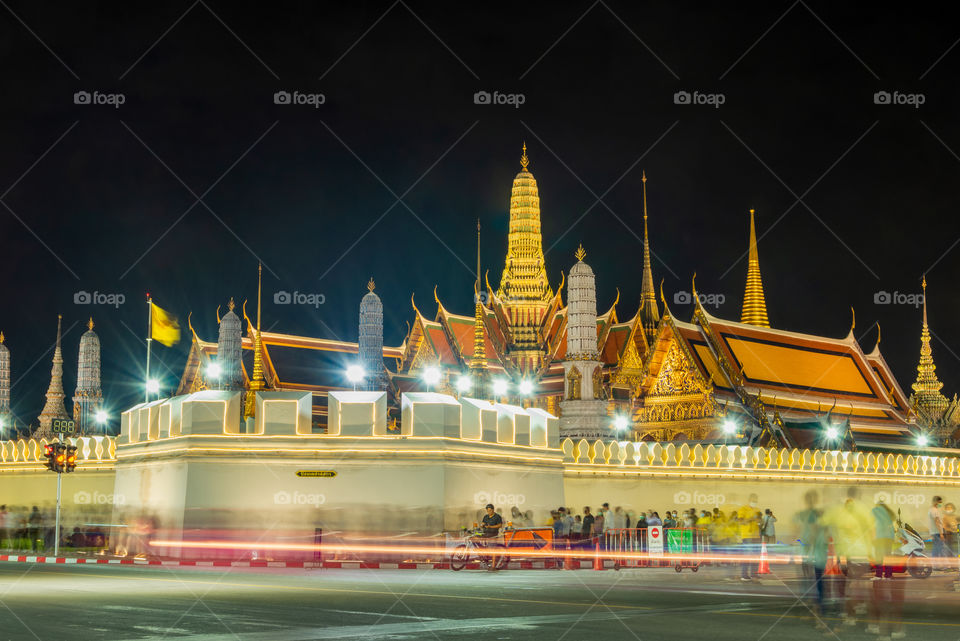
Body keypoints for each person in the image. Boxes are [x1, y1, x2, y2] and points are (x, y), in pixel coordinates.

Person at [480, 504, 504, 571]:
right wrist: (482, 525)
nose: (489, 512)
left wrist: (491, 527)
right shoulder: (486, 517)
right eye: (487, 511)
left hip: (493, 535)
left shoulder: (497, 517)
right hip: (485, 534)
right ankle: (483, 559)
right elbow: (482, 523)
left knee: (493, 550)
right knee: (475, 540)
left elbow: (500, 525)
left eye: (490, 510)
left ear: (493, 510)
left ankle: (493, 566)